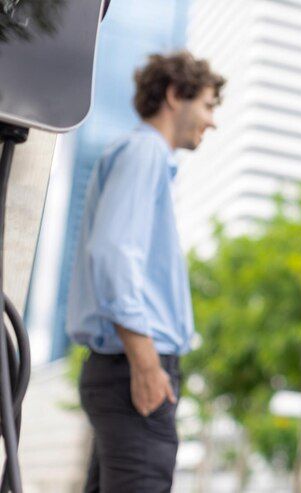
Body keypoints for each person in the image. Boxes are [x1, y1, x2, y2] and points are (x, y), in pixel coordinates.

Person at [66, 51, 225, 492]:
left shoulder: (134, 155)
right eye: (209, 106)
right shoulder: (143, 153)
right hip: (131, 368)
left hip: (118, 368)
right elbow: (113, 254)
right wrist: (146, 362)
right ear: (176, 95)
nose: (212, 121)